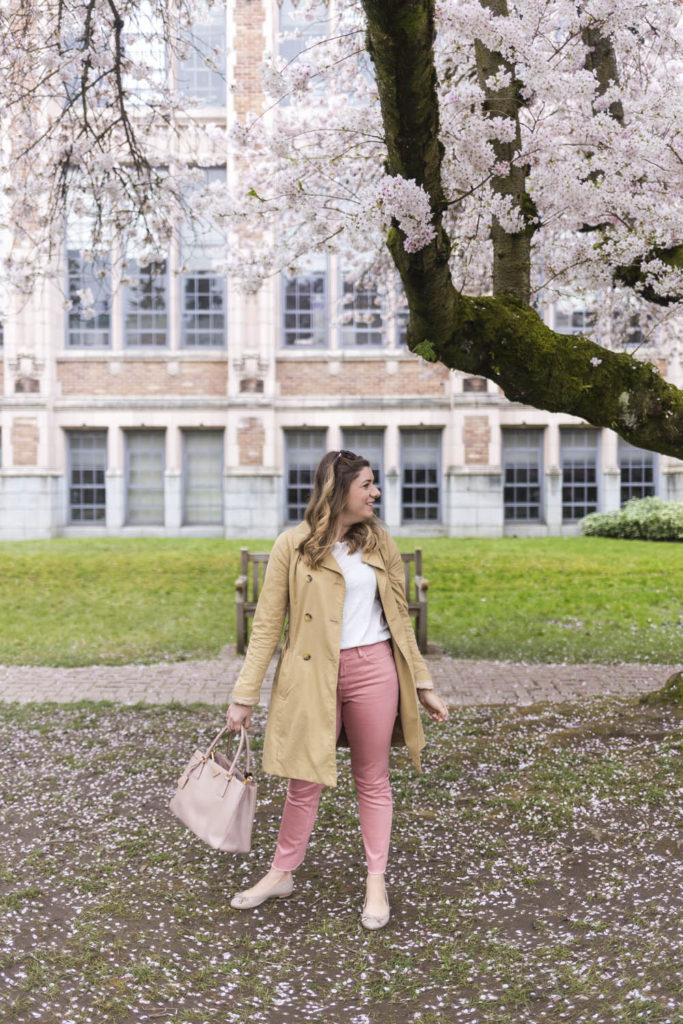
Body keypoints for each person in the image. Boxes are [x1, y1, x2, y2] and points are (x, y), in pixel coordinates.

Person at [225, 449, 448, 929]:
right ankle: (281, 872)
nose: (376, 493)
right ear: (338, 488)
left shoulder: (381, 544)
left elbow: (400, 620)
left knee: (373, 779)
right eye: (366, 484)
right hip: (311, 676)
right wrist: (244, 697)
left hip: (375, 669)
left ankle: (375, 881)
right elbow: (266, 626)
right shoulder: (294, 545)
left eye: (375, 484)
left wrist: (424, 683)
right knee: (303, 781)